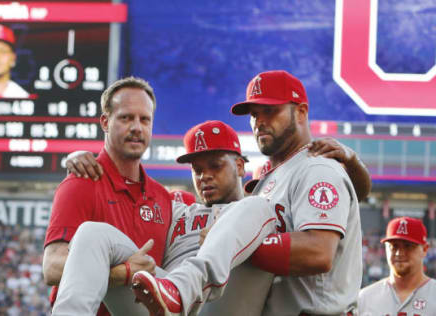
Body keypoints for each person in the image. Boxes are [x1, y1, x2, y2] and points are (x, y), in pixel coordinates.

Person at [63, 120, 370, 316]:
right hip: (160, 306)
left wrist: (352, 162)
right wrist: (80, 160)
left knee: (254, 208)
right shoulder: (174, 204)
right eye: (197, 169)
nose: (205, 176)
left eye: (215, 165)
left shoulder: (264, 205)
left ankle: (184, 287)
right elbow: (125, 187)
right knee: (93, 233)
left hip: (221, 307)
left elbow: (349, 199)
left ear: (239, 166)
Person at [131, 70, 364, 316]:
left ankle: (184, 286)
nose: (259, 121)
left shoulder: (316, 167)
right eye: (254, 114)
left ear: (301, 112)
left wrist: (233, 244)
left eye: (270, 110)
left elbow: (319, 252)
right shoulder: (270, 178)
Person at [42, 76, 173, 316]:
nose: (136, 127)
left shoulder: (163, 197)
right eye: (126, 117)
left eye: (144, 119)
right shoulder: (81, 183)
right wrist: (122, 273)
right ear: (105, 121)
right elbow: (52, 267)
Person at [358, 217, 436, 315]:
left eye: (408, 246)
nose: (399, 253)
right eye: (394, 246)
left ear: (425, 249)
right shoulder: (365, 298)